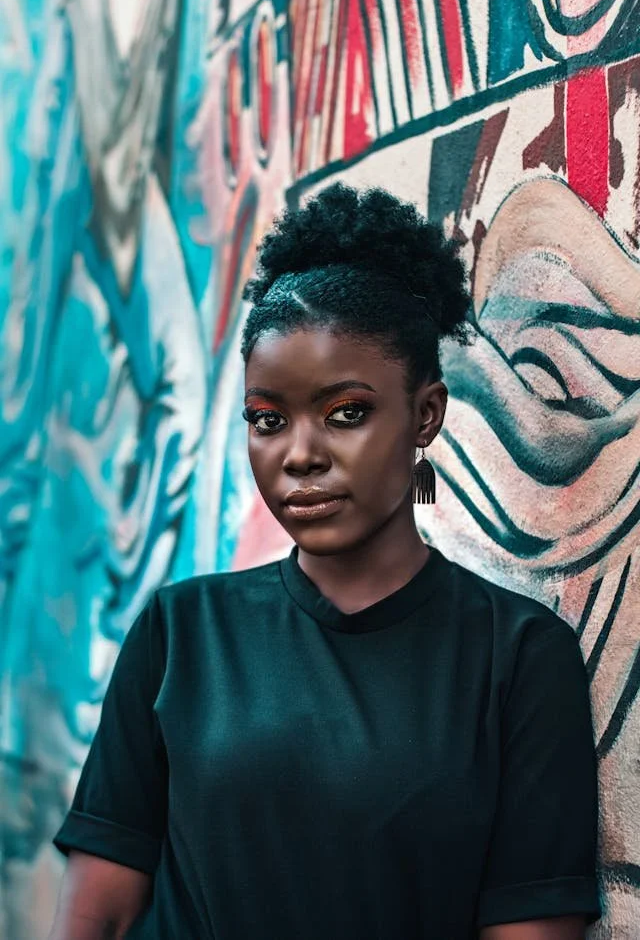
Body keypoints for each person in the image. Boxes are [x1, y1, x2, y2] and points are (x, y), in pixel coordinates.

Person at [48, 183, 601, 939]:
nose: (300, 454)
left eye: (347, 413)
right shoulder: (181, 633)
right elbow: (97, 914)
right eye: (268, 419)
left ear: (425, 414)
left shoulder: (518, 659)